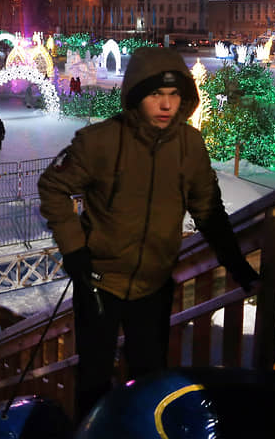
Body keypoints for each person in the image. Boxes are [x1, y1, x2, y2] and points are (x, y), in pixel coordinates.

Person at [38, 47, 260, 422]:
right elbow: (52, 187)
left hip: (154, 286)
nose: (166, 105)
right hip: (99, 284)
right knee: (94, 376)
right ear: (136, 95)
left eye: (174, 96)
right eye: (156, 95)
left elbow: (208, 209)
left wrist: (235, 262)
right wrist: (75, 251)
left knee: (150, 378)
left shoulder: (190, 146)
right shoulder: (100, 141)